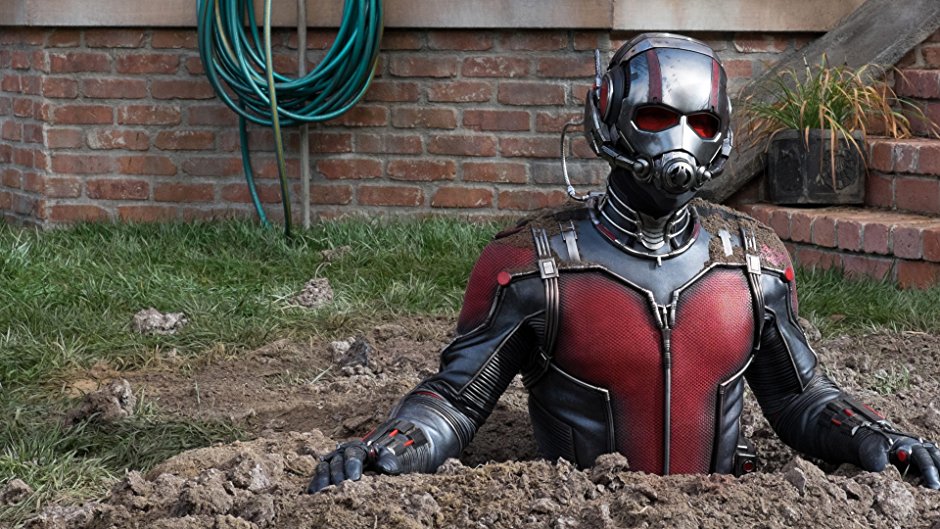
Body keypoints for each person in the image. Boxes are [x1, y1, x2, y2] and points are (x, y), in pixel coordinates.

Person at [308, 33, 940, 492]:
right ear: (608, 118)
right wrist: (394, 446)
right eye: (656, 115)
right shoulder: (531, 265)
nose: (678, 140)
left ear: (721, 134)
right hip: (580, 512)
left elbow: (800, 398)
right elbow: (457, 401)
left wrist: (873, 434)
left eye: (701, 122)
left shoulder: (756, 264)